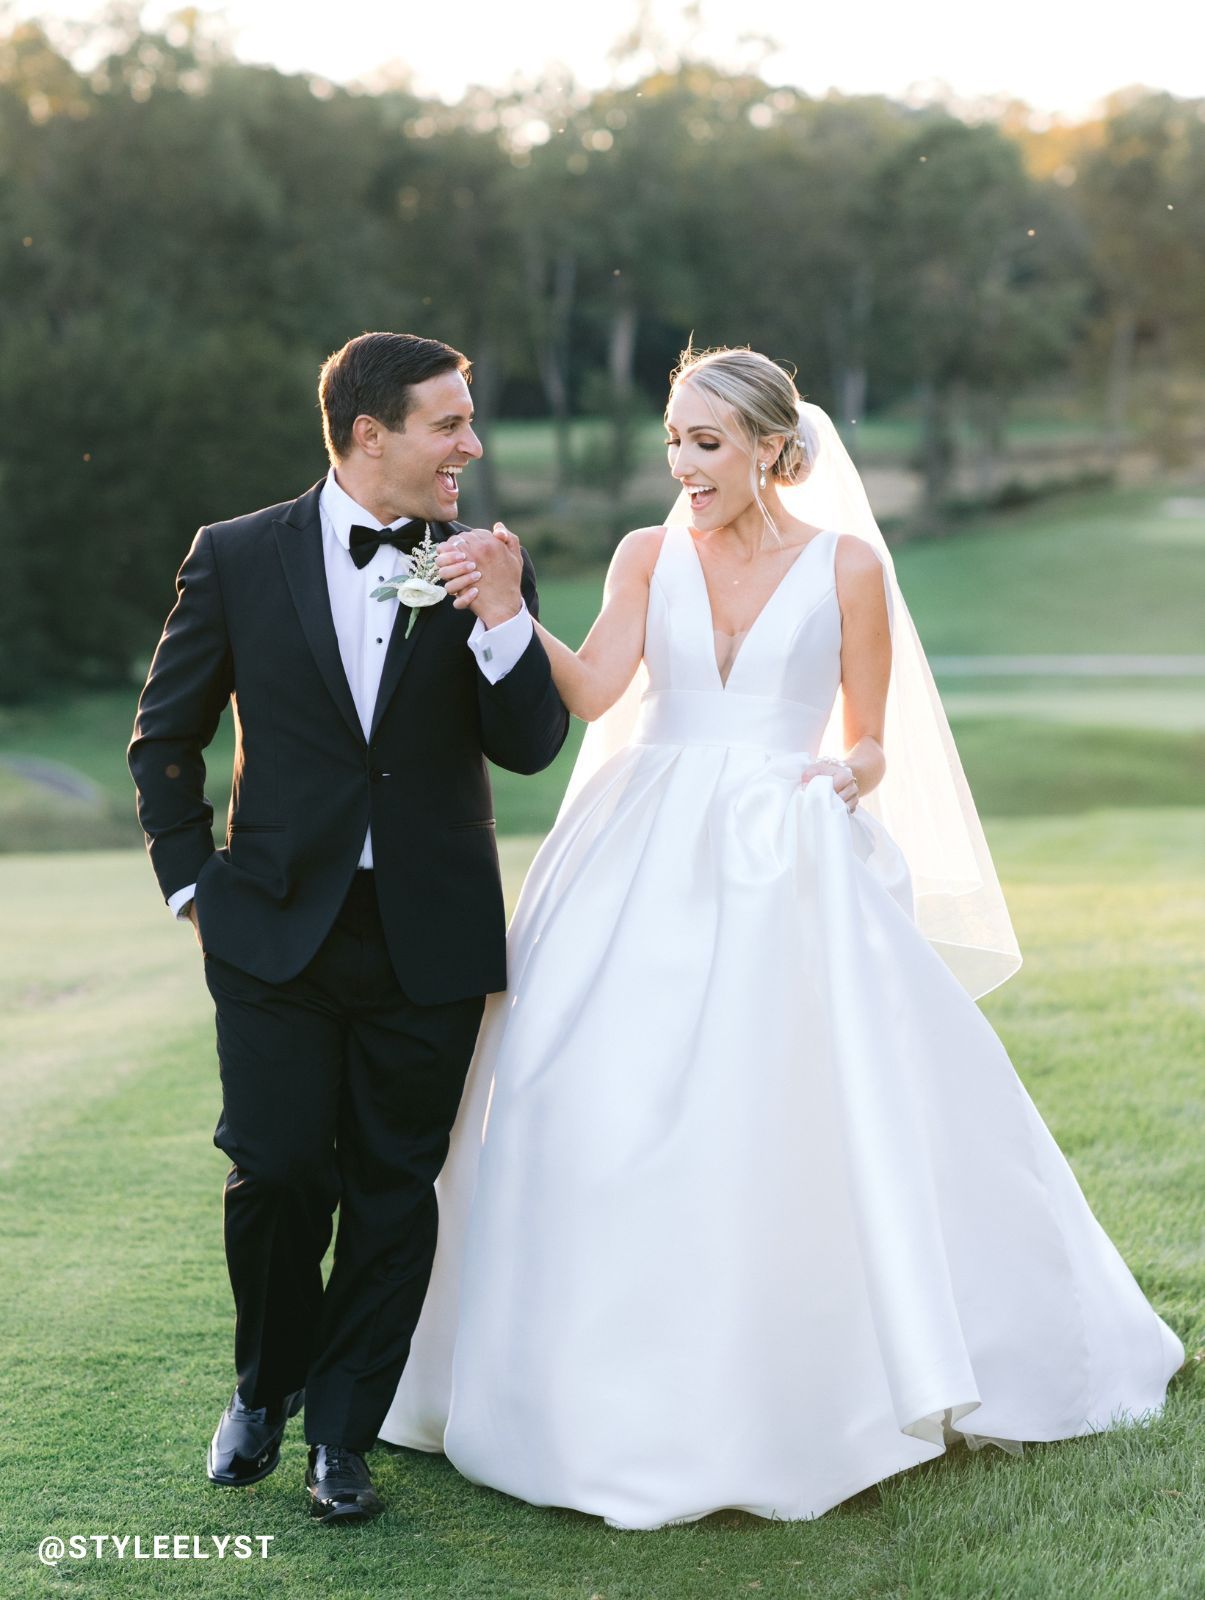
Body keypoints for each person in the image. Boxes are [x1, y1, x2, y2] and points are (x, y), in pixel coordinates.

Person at [376, 345, 1185, 1530]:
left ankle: (835, 1370)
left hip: (787, 852)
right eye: (672, 441)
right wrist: (506, 612)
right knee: (586, 1095)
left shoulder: (849, 564)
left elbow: (872, 736)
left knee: (791, 1106)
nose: (682, 465)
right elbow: (598, 692)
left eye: (704, 443)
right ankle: (591, 1389)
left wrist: (843, 778)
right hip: (638, 850)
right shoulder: (645, 555)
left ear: (768, 446)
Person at [127, 331, 569, 1523]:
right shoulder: (236, 556)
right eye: (449, 422)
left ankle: (342, 1436)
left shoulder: (484, 563)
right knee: (272, 1169)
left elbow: (530, 743)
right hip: (271, 931)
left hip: (427, 935)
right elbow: (164, 737)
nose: (471, 445)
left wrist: (498, 618)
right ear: (369, 433)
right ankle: (262, 1391)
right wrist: (190, 883)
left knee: (390, 1186)